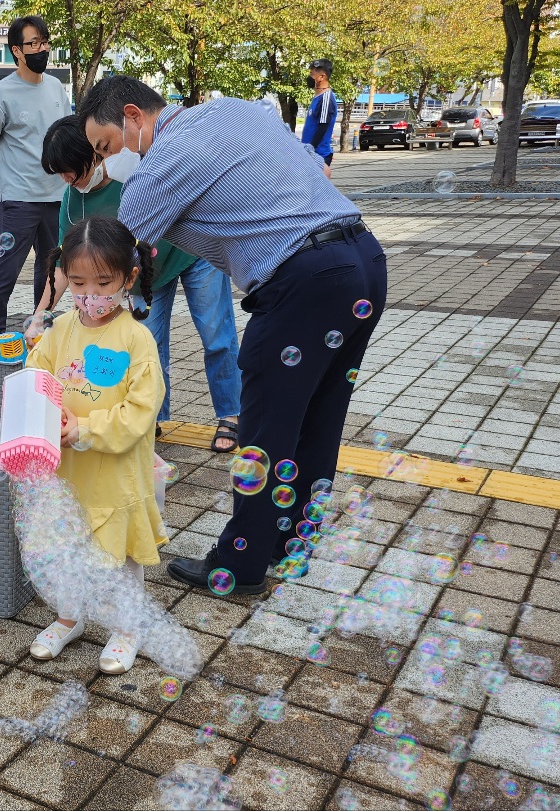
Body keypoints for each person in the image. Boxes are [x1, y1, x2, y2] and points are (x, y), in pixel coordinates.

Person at [77, 76, 387, 598]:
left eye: (107, 146)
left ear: (133, 115)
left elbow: (119, 245)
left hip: (303, 280)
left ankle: (241, 565)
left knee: (265, 429)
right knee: (317, 418)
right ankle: (288, 545)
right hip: (364, 261)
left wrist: (78, 302)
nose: (108, 161)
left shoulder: (166, 155)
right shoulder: (235, 110)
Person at [29, 115, 242, 451]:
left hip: (190, 253)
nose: (67, 178)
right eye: (60, 172)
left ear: (97, 153)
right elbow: (62, 264)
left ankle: (231, 413)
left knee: (216, 335)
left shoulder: (131, 176)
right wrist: (41, 314)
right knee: (149, 344)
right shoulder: (72, 200)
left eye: (72, 168)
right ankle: (153, 417)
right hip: (142, 273)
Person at [23, 216, 166, 675]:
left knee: (121, 556)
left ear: (129, 277)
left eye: (104, 282)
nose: (91, 294)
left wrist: (83, 429)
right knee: (66, 547)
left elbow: (139, 414)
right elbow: (37, 378)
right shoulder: (61, 330)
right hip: (66, 471)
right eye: (78, 281)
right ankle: (70, 617)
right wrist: (44, 416)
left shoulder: (137, 339)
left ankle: (127, 628)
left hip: (115, 475)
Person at [0, 15, 69, 334]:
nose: (42, 49)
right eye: (34, 44)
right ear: (17, 51)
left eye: (45, 43)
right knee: (6, 271)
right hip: (18, 201)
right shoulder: (2, 93)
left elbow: (70, 135)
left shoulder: (57, 87)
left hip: (57, 199)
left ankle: (40, 332)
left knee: (49, 273)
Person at [302, 59, 338, 169]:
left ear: (321, 77)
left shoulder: (326, 99)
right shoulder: (318, 97)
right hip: (311, 155)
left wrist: (311, 147)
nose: (310, 77)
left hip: (319, 156)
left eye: (312, 74)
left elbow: (323, 126)